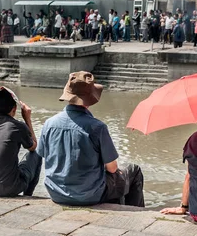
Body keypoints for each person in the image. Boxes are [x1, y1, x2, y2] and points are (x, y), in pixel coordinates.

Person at [37, 72, 145, 207]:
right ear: (89, 100)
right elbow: (112, 168)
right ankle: (136, 212)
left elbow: (42, 155)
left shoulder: (49, 123)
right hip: (89, 195)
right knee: (133, 170)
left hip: (56, 192)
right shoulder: (97, 127)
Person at [0, 87, 41, 198]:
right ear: (14, 109)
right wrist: (27, 120)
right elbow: (33, 147)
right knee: (37, 154)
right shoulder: (18, 126)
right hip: (9, 188)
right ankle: (28, 195)